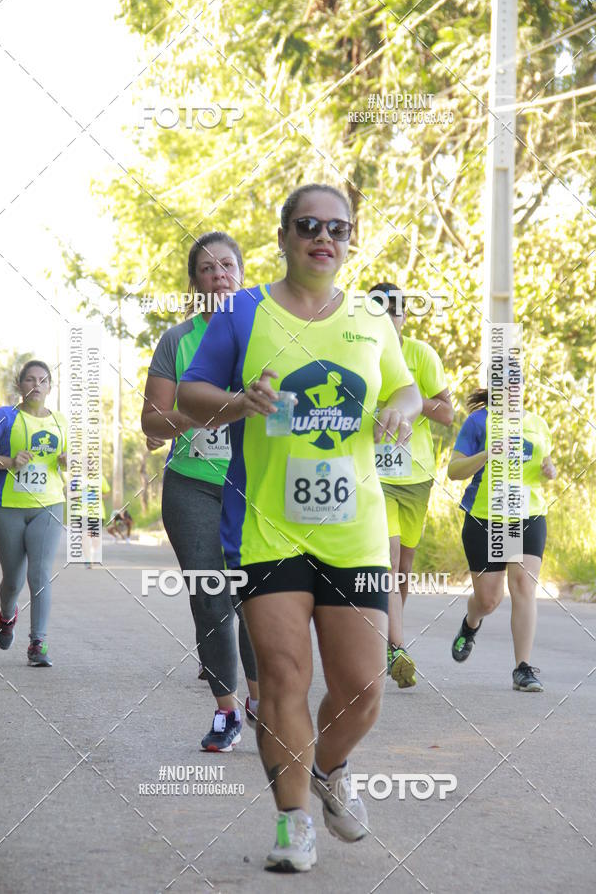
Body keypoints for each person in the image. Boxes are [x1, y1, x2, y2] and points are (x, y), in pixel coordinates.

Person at [177, 184, 421, 872]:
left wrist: (402, 409)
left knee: (364, 688)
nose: (324, 238)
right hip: (268, 528)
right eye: (309, 225)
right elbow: (190, 395)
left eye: (338, 229)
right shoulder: (242, 312)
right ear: (283, 235)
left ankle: (330, 766)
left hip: (355, 532)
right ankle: (293, 823)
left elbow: (404, 386)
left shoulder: (372, 317)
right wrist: (239, 401)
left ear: (350, 240)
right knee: (284, 677)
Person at [141, 231, 259, 752]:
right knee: (211, 596)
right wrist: (200, 414)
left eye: (227, 266)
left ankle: (263, 702)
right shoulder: (177, 341)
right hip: (192, 484)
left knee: (257, 597)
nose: (219, 276)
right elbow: (152, 420)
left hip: (255, 486)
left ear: (242, 274)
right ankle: (226, 711)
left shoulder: (265, 333)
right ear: (194, 282)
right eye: (208, 269)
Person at [447, 376, 556, 692]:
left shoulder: (536, 423)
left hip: (527, 514)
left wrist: (549, 471)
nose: (513, 390)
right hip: (486, 517)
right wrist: (487, 454)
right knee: (489, 599)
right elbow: (454, 471)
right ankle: (471, 623)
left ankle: (523, 668)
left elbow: (544, 465)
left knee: (523, 585)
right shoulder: (478, 422)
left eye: (517, 383)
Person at [369, 284, 453, 688]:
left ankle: (388, 641)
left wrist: (412, 402)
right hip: (375, 474)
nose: (388, 317)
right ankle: (397, 647)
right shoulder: (360, 352)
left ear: (404, 316)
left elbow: (448, 414)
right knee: (387, 560)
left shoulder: (422, 355)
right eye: (379, 310)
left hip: (416, 476)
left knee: (403, 568)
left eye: (394, 311)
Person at [0, 360, 67, 666]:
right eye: (30, 379)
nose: (37, 385)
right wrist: (9, 462)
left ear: (50, 387)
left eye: (43, 380)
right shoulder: (5, 416)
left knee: (39, 575)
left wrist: (69, 461)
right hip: (8, 507)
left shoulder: (61, 422)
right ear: (20, 384)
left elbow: (79, 462)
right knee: (13, 580)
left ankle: (38, 643)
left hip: (48, 505)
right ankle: (7, 616)